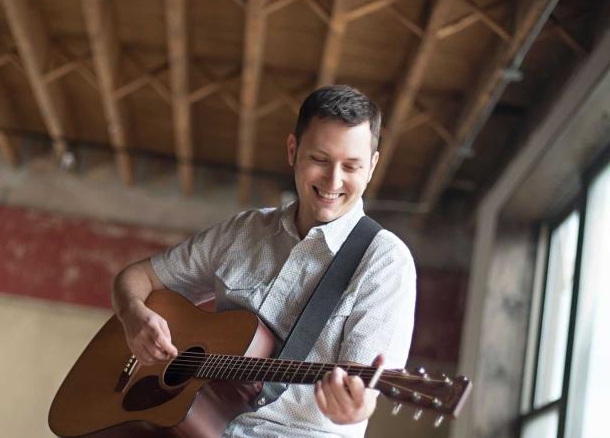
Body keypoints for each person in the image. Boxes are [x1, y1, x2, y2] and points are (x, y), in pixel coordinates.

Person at [111, 85, 416, 437]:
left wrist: (356, 407)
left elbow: (364, 390)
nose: (334, 181)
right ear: (292, 150)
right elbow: (136, 277)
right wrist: (132, 314)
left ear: (373, 166)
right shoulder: (245, 231)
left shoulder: (385, 263)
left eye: (351, 166)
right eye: (319, 159)